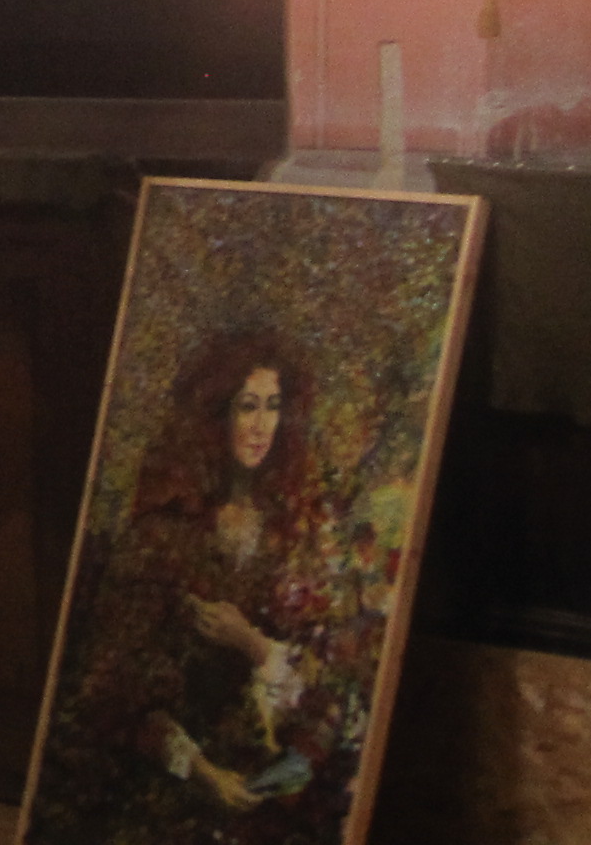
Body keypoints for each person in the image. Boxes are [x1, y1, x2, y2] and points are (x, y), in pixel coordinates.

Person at [32, 332, 360, 841]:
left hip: (268, 785)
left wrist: (251, 643)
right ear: (214, 416)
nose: (261, 426)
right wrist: (205, 774)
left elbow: (328, 682)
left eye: (273, 407)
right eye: (246, 407)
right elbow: (113, 691)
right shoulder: (163, 535)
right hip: (171, 786)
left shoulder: (293, 534)